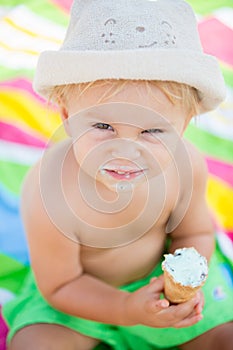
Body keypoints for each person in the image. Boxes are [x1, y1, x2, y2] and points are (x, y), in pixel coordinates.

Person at [3, 0, 233, 349]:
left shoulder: (185, 166)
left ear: (183, 126)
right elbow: (60, 285)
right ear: (66, 116)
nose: (126, 150)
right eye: (102, 125)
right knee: (35, 343)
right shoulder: (50, 189)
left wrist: (184, 286)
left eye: (153, 131)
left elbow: (196, 232)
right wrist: (127, 308)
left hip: (158, 285)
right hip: (83, 297)